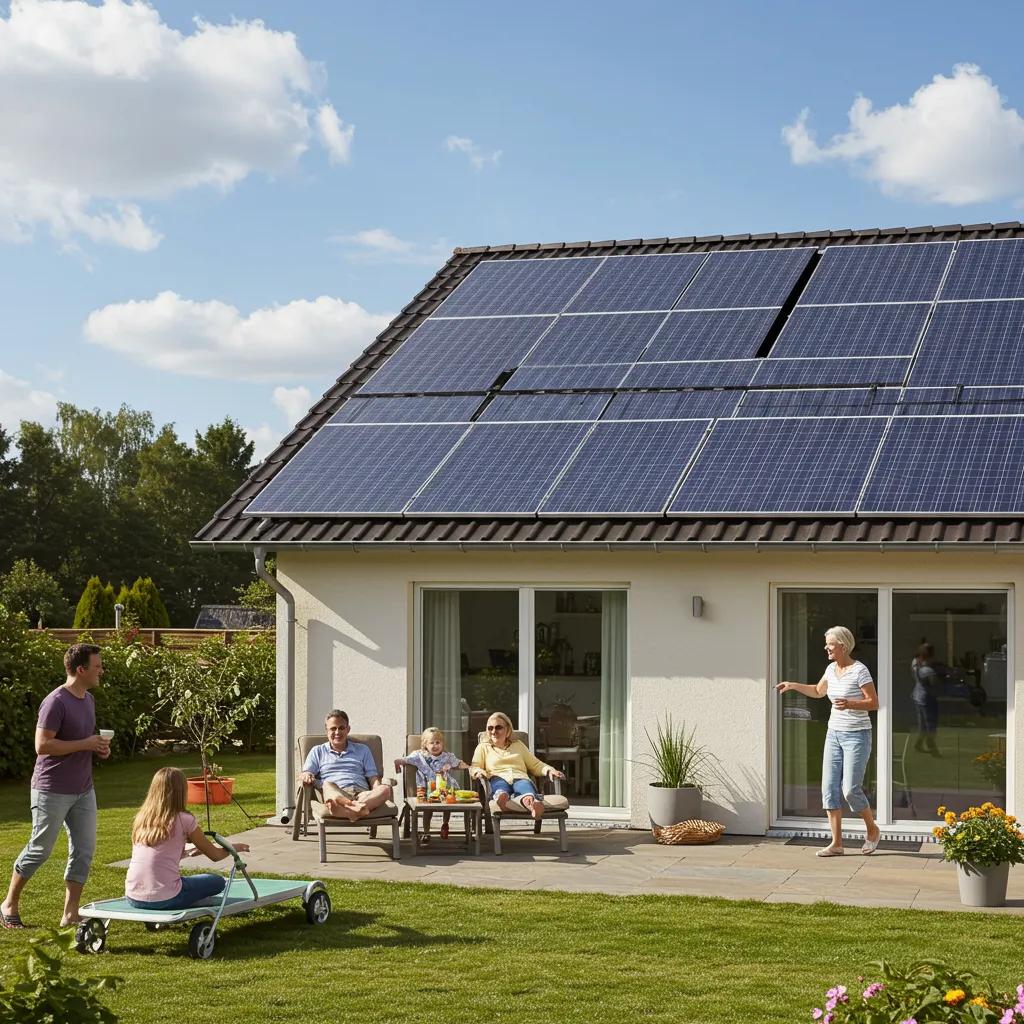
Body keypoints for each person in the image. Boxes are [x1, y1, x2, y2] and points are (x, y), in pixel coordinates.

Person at [2, 643, 111, 929]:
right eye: (97, 666)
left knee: (84, 851)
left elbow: (79, 742)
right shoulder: (56, 701)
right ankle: (9, 903)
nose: (101, 670)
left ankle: (70, 913)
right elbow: (42, 745)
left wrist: (96, 748)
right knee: (40, 849)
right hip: (51, 789)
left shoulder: (88, 699)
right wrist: (86, 743)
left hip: (83, 789)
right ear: (81, 669)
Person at [775, 626, 881, 858]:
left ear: (842, 646)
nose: (826, 648)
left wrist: (851, 703)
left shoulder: (859, 670)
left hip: (857, 735)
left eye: (830, 644)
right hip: (833, 734)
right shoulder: (831, 669)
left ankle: (872, 830)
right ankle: (837, 844)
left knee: (850, 789)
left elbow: (873, 702)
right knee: (829, 789)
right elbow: (817, 691)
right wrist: (792, 685)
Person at [125, 768, 250, 910]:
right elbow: (215, 855)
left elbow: (160, 852)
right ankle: (193, 901)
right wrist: (234, 848)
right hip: (167, 897)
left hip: (133, 897)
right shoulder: (184, 819)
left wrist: (192, 849)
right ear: (182, 791)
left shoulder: (142, 819)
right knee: (218, 881)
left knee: (184, 881)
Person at [470, 712, 565, 821]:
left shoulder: (518, 745)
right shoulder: (483, 747)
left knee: (524, 786)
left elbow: (535, 764)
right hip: (497, 776)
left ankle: (533, 805)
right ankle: (502, 801)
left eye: (498, 727)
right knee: (500, 787)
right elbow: (475, 766)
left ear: (508, 730)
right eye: (490, 728)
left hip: (519, 777)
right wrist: (478, 772)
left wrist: (549, 770)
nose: (493, 731)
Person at [299, 710, 392, 820]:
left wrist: (377, 790)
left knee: (386, 789)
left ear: (348, 729)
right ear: (326, 730)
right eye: (333, 728)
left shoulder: (363, 750)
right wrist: (306, 774)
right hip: (335, 793)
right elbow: (307, 772)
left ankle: (348, 811)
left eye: (341, 728)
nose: (337, 732)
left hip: (362, 794)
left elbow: (373, 777)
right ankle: (357, 810)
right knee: (327, 784)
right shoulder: (318, 751)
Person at [394, 726, 470, 842]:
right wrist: (398, 761)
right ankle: (426, 831)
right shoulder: (419, 756)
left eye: (438, 742)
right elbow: (406, 759)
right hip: (427, 790)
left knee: (447, 807)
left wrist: (469, 767)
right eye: (431, 743)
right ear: (425, 744)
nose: (435, 745)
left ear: (442, 744)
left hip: (445, 788)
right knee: (427, 810)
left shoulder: (447, 756)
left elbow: (458, 763)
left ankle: (445, 824)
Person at [910, 642, 943, 756]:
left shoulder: (915, 664)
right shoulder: (928, 671)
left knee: (923, 723)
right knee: (930, 723)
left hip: (918, 696)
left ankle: (919, 744)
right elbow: (934, 684)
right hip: (927, 698)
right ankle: (931, 745)